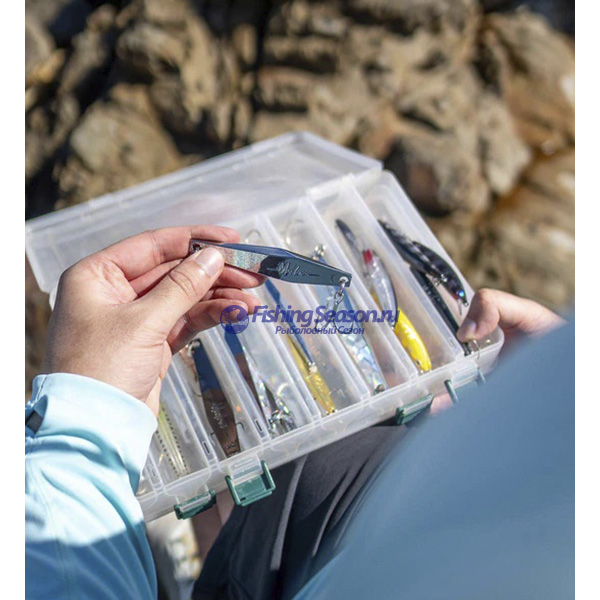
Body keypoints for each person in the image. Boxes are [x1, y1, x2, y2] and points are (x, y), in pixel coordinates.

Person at [25, 226, 571, 600]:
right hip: (462, 507)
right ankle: (203, 556)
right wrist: (562, 398)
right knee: (288, 479)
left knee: (258, 505)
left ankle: (198, 564)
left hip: (395, 550)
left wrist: (85, 422)